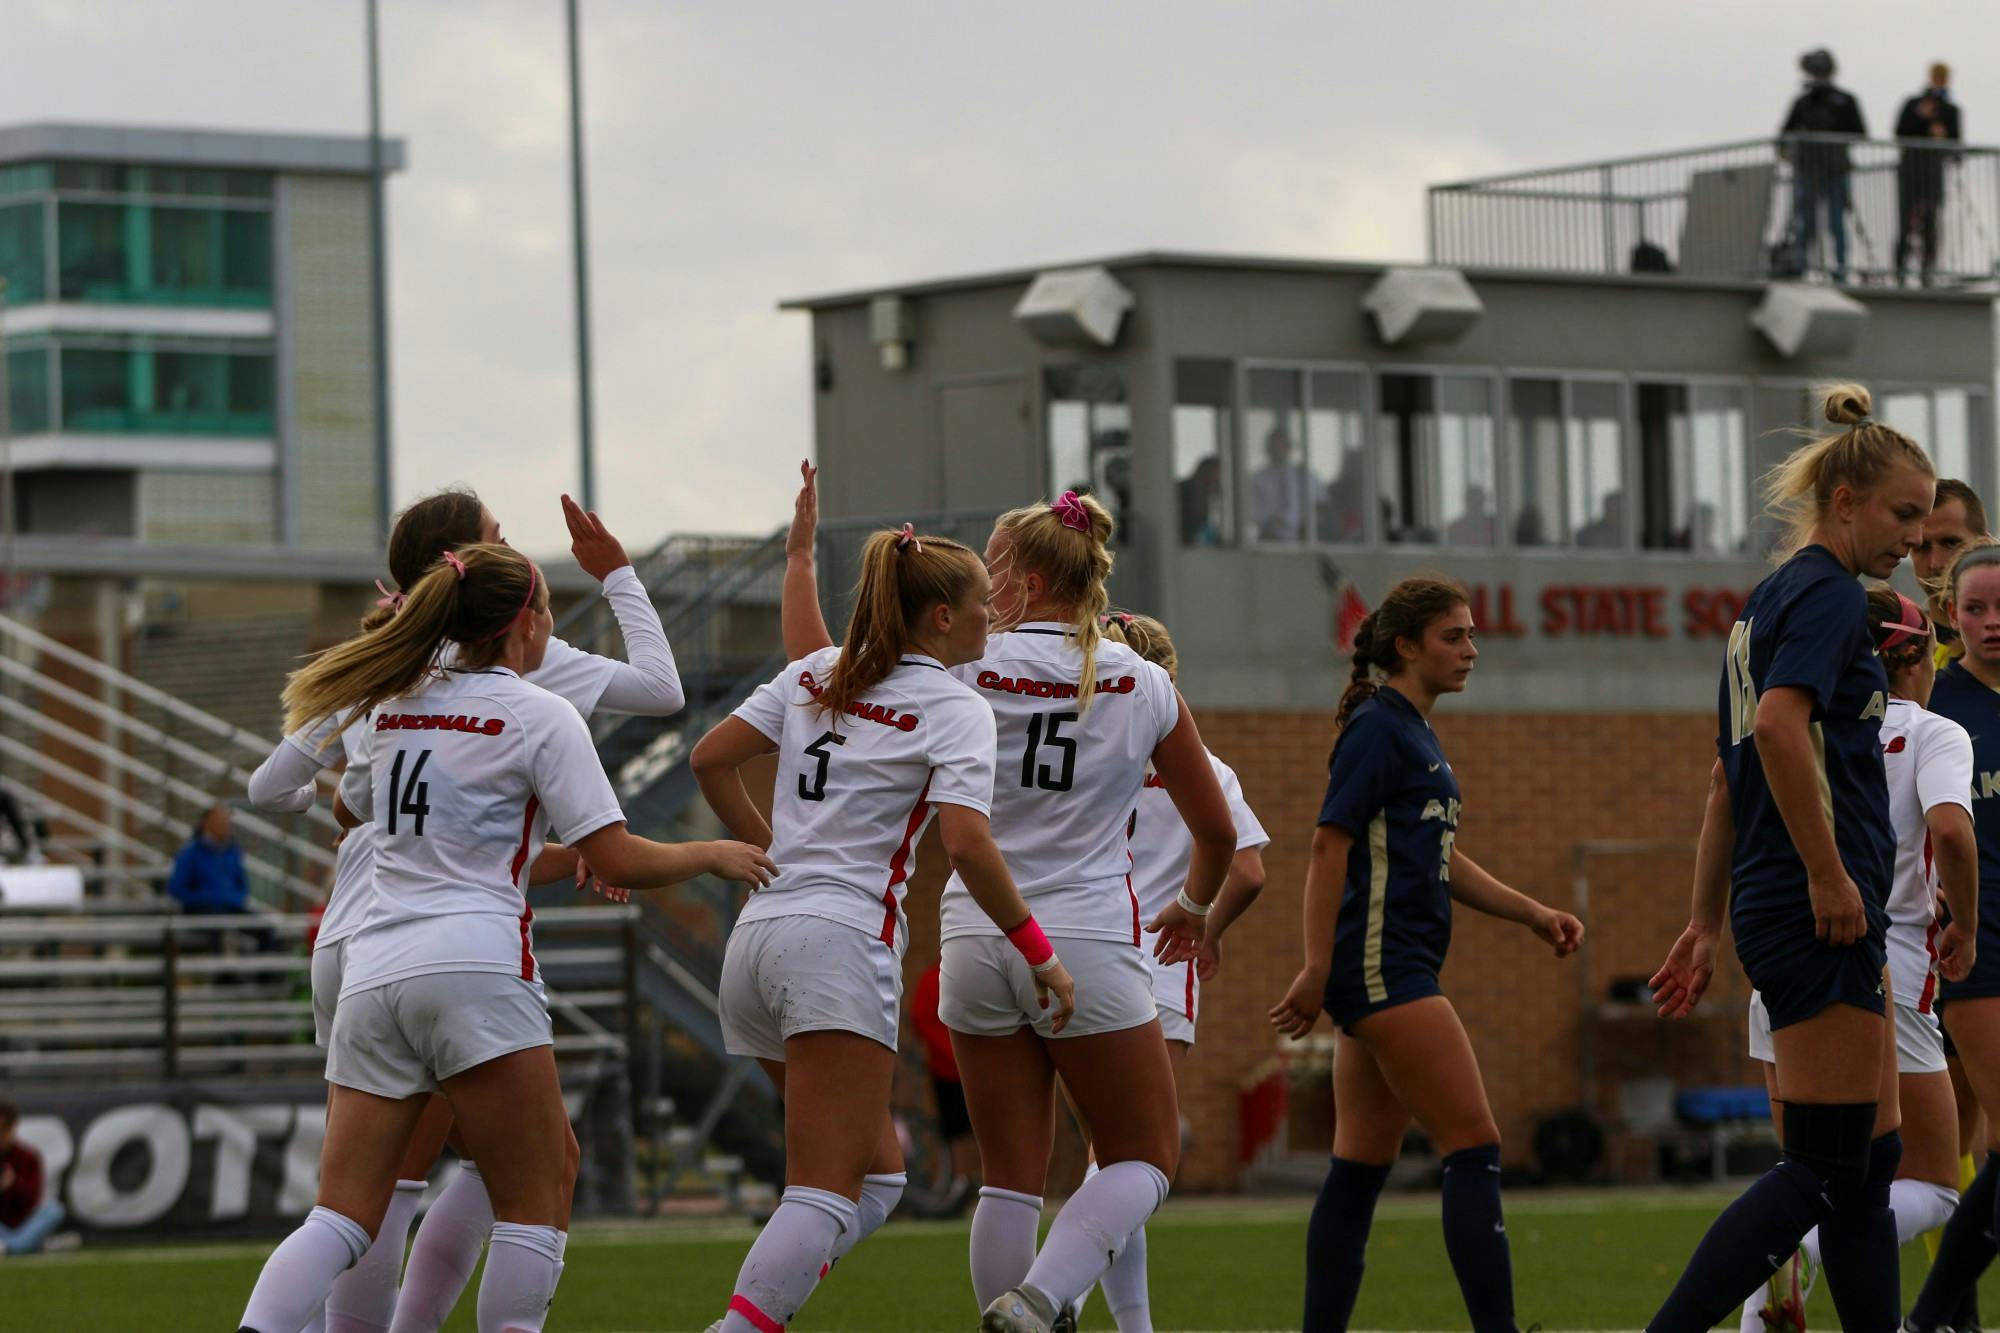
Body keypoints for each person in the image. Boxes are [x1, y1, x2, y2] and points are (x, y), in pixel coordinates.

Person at [234, 542, 772, 1333]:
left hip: (375, 970)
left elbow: (352, 809)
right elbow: (614, 852)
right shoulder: (540, 712)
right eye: (548, 610)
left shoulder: (389, 705)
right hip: (477, 968)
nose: (551, 628)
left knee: (342, 1217)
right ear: (522, 624)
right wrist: (712, 853)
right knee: (535, 1199)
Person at [781, 473, 1237, 1333]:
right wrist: (1193, 906)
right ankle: (1038, 1297)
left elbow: (820, 671)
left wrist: (800, 561)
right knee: (1145, 1155)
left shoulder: (964, 666)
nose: (980, 588)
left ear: (1027, 582)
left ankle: (1018, 1306)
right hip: (1090, 936)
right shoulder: (1141, 680)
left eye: (992, 568)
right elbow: (1213, 828)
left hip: (976, 934)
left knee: (1007, 1176)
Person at [691, 511, 1075, 1333]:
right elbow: (968, 844)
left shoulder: (816, 673)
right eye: (980, 601)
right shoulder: (953, 705)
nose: (992, 614)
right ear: (940, 616)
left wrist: (767, 844)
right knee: (822, 1187)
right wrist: (1039, 952)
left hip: (756, 943)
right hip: (837, 943)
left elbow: (708, 758)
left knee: (879, 1178)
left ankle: (766, 1302)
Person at [1646, 383, 1935, 1333]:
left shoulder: (1764, 602)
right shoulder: (1822, 596)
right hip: (1819, 908)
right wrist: (1826, 874)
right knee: (1821, 1164)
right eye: (1903, 514)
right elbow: (1774, 730)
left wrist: (1704, 921)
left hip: (1789, 904)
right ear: (1844, 501)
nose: (1912, 538)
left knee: (1868, 1167)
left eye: (1924, 520)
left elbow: (1726, 784)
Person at [1269, 574, 1584, 1333]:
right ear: (1406, 646)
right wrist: (1317, 965)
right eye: (1455, 636)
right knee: (1474, 1143)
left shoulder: (1413, 729)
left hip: (1389, 966)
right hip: (1385, 967)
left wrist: (1532, 912)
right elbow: (1326, 844)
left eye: (1473, 634)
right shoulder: (1379, 727)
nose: (1471, 649)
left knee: (1360, 1166)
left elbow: (1441, 855)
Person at [1735, 587, 1976, 1333]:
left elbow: (1724, 799)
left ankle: (1781, 1282)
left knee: (1814, 1171)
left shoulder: (1801, 726)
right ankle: (1790, 1251)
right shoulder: (1934, 730)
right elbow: (1953, 831)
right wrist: (1966, 922)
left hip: (1778, 970)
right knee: (1933, 1184)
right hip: (1882, 974)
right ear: (1914, 656)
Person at [1077, 611, 1270, 1333]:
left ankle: (1129, 1325)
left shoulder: (1087, 752)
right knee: (1135, 1161)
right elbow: (1248, 870)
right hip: (1159, 964)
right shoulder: (1205, 769)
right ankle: (1055, 1296)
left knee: (1107, 1157)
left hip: (1082, 952)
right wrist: (1204, 924)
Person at [1899, 541, 2000, 1331]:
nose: (1992, 623)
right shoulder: (1942, 708)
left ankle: (1936, 1323)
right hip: (1977, 946)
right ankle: (1933, 1320)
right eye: (1976, 609)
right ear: (1949, 615)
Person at [1779, 49, 1867, 283]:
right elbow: (1784, 135)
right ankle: (1801, 266)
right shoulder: (1803, 103)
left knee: (1836, 222)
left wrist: (1833, 137)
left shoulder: (1845, 100)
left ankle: (1840, 270)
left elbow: (1859, 132)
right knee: (1804, 222)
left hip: (1835, 168)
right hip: (1807, 169)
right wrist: (1791, 151)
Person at [912, 960, 980, 1209]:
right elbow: (923, 1020)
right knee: (958, 1129)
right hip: (950, 1069)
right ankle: (963, 1180)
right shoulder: (934, 979)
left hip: (971, 1066)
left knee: (974, 1128)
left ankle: (973, 1180)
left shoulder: (967, 975)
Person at [1896, 64, 1962, 287]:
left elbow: (1956, 143)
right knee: (1906, 221)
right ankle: (1900, 268)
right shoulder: (1913, 104)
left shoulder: (1951, 110)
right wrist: (1920, 118)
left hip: (1933, 171)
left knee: (1931, 222)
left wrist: (1944, 138)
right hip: (1910, 170)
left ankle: (1928, 270)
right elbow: (1900, 132)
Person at [1916, 478, 1989, 662]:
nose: (1936, 563)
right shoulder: (1894, 652)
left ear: (1984, 544)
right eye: (1922, 547)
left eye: (1950, 543)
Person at [0, 1095, 66, 1256]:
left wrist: (13, 1184)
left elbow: (32, 1200)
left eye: (3, 1129)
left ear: (13, 1127)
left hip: (23, 1224)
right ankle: (28, 1246)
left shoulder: (28, 1156)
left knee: (54, 1211)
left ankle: (11, 1247)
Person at [167, 806, 250, 917]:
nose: (224, 826)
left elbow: (242, 885)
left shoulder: (234, 852)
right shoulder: (190, 853)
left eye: (226, 822)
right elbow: (177, 888)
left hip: (231, 907)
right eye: (219, 821)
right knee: (216, 924)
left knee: (265, 929)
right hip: (201, 909)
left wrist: (234, 899)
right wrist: (205, 898)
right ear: (206, 823)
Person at [1251, 427, 1310, 543]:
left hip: (1301, 538)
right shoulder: (1258, 478)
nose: (1277, 450)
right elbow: (1252, 510)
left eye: (1281, 446)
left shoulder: (1303, 475)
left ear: (1289, 448)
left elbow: (1318, 503)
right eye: (1274, 446)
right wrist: (1271, 517)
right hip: (1269, 537)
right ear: (1267, 449)